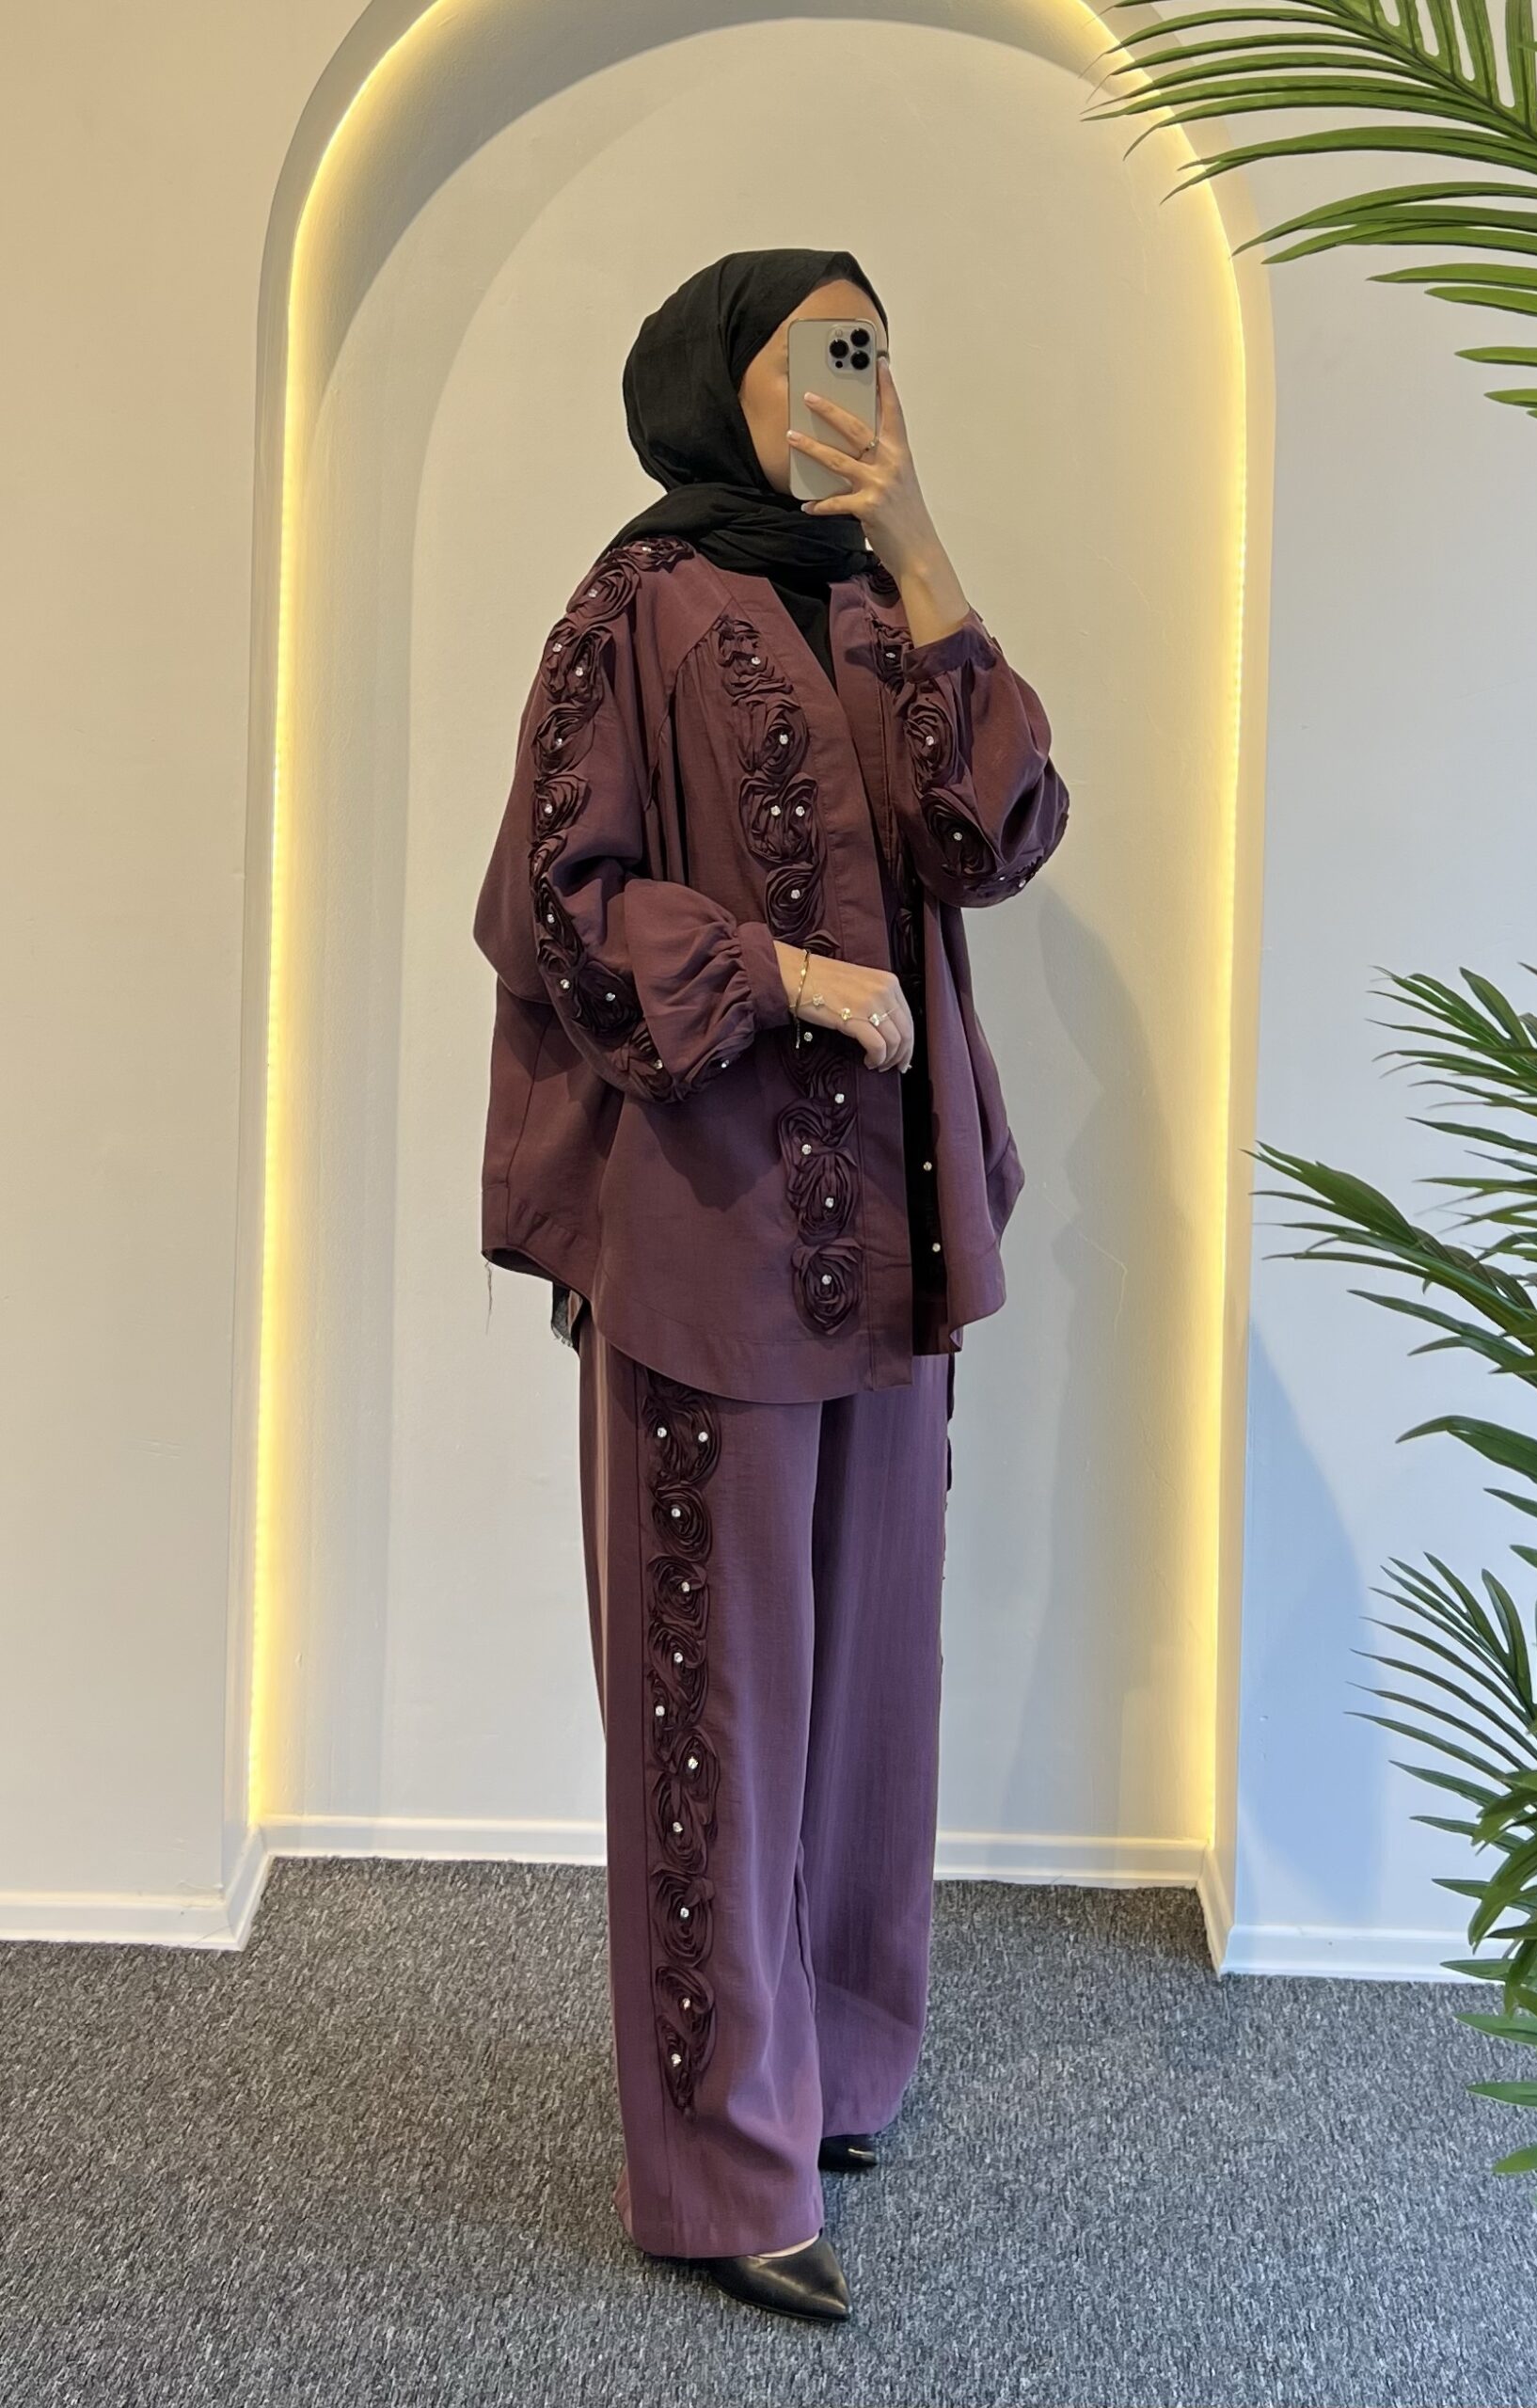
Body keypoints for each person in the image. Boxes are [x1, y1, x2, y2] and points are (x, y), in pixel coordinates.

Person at [471, 247, 1070, 2322]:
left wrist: (922, 541)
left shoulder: (880, 605)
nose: (852, 383)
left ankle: (835, 2066)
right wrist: (793, 973)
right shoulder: (634, 606)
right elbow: (557, 908)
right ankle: (725, 2162)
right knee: (714, 1693)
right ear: (721, 378)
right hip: (711, 1225)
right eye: (818, 352)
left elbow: (999, 834)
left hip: (892, 1231)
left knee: (871, 1681)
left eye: (874, 350)